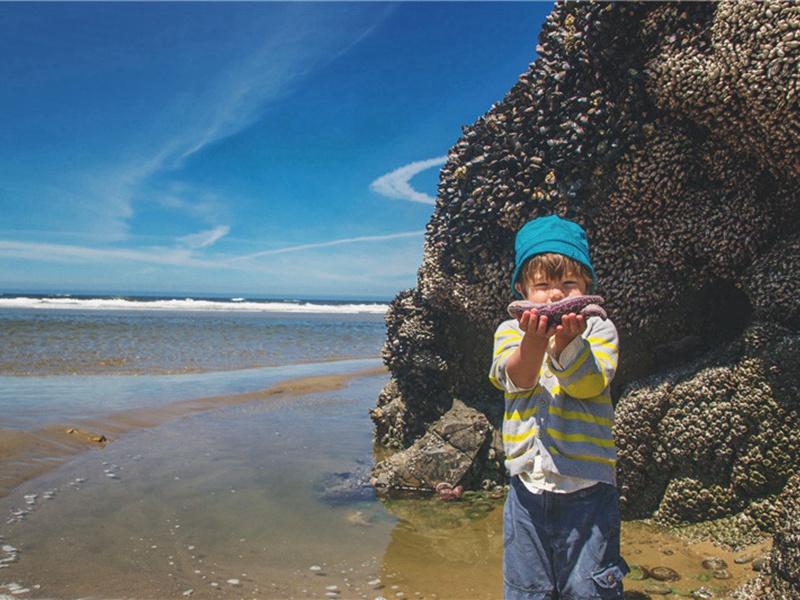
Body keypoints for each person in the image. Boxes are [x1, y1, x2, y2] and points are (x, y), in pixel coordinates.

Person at [489, 215, 629, 599]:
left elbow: (588, 385)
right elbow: (516, 379)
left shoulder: (599, 329)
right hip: (526, 490)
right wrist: (533, 342)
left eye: (568, 284)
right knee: (526, 590)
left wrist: (569, 345)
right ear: (521, 288)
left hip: (588, 487)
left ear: (587, 286)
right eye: (542, 285)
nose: (554, 296)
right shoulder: (508, 331)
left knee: (589, 589)